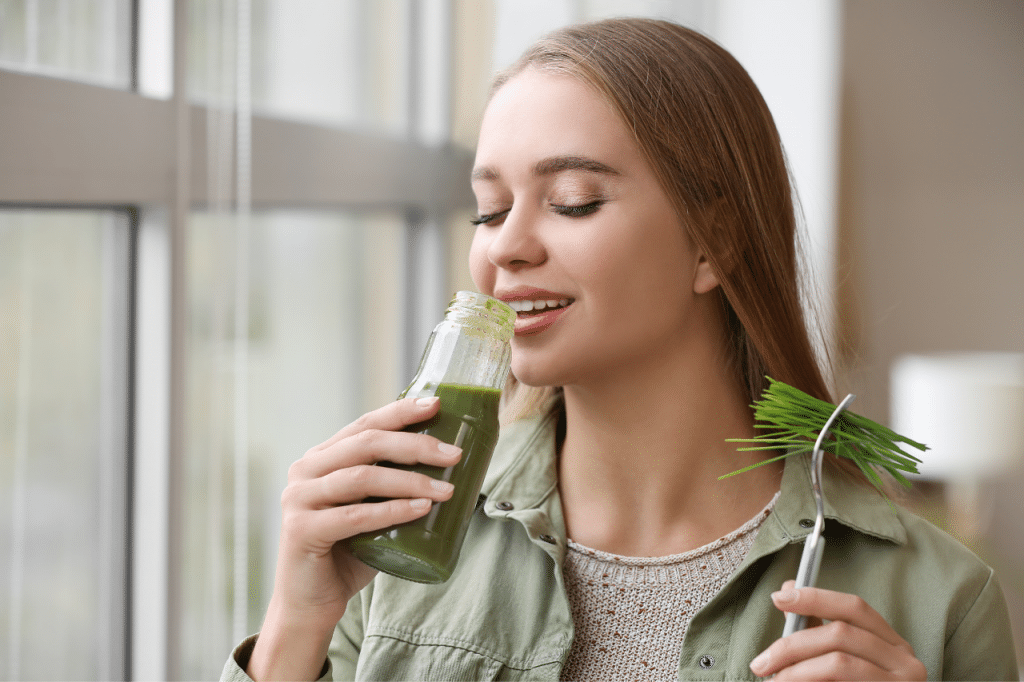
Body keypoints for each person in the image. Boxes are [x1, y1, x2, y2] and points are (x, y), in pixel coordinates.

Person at [223, 18, 1019, 682]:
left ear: (714, 242)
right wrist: (295, 626)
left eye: (573, 202)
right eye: (489, 211)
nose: (507, 248)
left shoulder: (942, 598)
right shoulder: (396, 542)